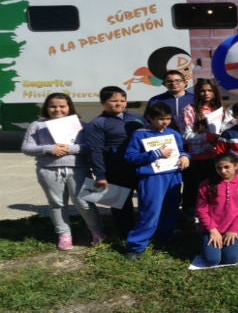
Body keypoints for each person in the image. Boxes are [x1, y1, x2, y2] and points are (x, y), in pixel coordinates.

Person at [21, 93, 105, 250]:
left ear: (69, 107)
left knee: (84, 202)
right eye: (53, 106)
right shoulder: (37, 125)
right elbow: (26, 148)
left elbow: (90, 147)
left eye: (62, 106)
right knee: (57, 204)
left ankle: (97, 232)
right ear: (46, 107)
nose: (57, 109)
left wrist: (70, 148)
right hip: (48, 170)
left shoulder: (80, 124)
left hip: (78, 169)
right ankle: (64, 234)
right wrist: (49, 149)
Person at [123, 102, 190, 261]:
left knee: (170, 209)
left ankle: (163, 238)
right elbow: (130, 157)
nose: (165, 122)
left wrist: (185, 157)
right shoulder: (140, 134)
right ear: (150, 118)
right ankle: (136, 246)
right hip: (152, 178)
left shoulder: (173, 133)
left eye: (167, 118)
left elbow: (181, 150)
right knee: (150, 211)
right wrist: (156, 153)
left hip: (173, 176)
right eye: (160, 119)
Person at [86, 86, 145, 238]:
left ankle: (144, 230)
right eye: (113, 101)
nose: (119, 104)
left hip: (140, 167)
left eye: (122, 100)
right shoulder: (97, 123)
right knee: (119, 204)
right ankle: (124, 235)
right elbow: (95, 151)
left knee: (146, 200)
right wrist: (100, 175)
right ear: (103, 102)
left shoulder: (137, 118)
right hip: (114, 169)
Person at [196, 153, 238, 268]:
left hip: (233, 228)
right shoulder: (206, 185)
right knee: (212, 260)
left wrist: (234, 229)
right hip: (212, 228)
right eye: (219, 168)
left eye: (227, 167)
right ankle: (206, 242)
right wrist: (212, 230)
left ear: (236, 166)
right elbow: (201, 209)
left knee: (231, 259)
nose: (222, 171)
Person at [181, 78, 224, 220]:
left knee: (212, 190)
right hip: (197, 158)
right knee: (193, 190)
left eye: (210, 90)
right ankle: (190, 220)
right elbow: (186, 136)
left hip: (216, 157)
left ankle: (211, 218)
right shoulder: (190, 109)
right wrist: (207, 137)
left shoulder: (219, 109)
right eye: (203, 90)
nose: (206, 93)